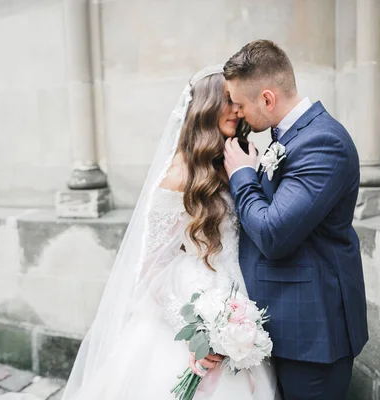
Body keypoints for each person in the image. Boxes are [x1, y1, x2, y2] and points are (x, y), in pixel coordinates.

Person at [61, 66, 278, 400]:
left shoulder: (232, 161)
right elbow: (150, 268)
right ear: (204, 107)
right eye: (228, 101)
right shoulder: (178, 175)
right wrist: (196, 332)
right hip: (195, 305)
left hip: (240, 301)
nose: (238, 109)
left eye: (238, 102)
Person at [221, 40, 368, 399]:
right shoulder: (286, 136)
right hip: (288, 326)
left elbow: (274, 233)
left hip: (313, 336)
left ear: (267, 99)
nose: (237, 113)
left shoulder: (322, 143)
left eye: (240, 104)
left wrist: (242, 175)